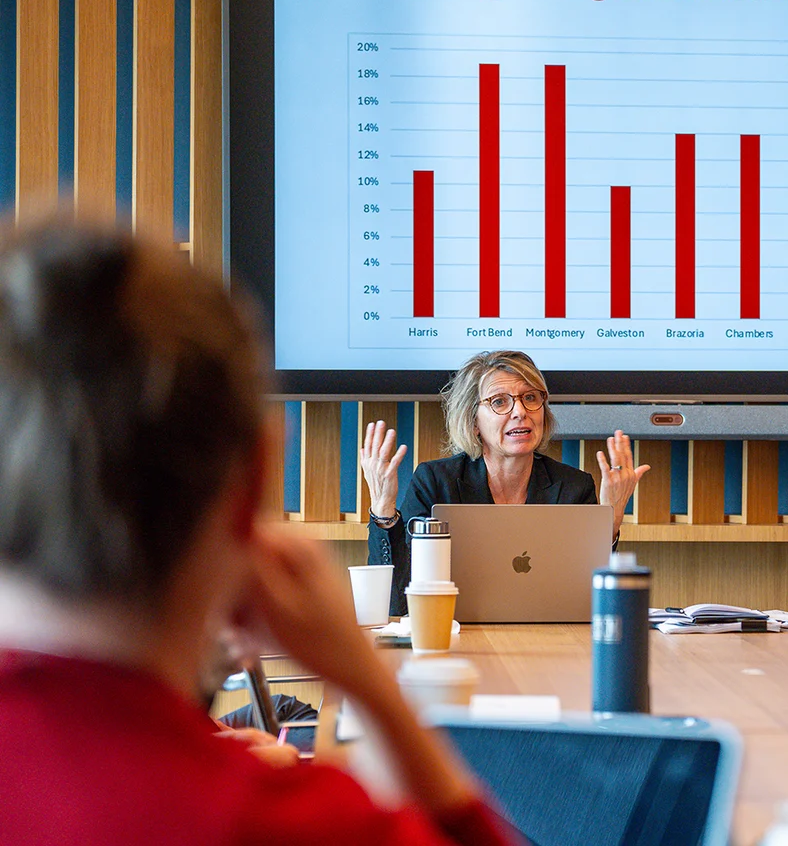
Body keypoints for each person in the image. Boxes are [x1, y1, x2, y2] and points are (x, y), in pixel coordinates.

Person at [0, 223, 516, 844]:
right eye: (502, 401)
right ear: (257, 478)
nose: (520, 412)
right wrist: (371, 688)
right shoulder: (302, 824)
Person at [364, 349, 648, 616]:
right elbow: (397, 602)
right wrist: (383, 509)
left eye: (530, 398)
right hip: (457, 633)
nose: (520, 411)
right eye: (499, 401)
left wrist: (610, 522)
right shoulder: (436, 483)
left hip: (550, 634)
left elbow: (593, 601)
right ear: (473, 422)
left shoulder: (573, 487)